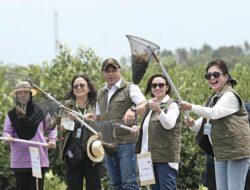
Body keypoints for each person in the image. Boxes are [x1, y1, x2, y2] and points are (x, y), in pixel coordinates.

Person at [180, 59, 250, 190]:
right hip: (220, 152)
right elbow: (203, 122)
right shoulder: (212, 99)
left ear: (225, 77)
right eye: (208, 76)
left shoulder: (230, 95)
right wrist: (192, 124)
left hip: (236, 152)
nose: (212, 78)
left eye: (216, 74)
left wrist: (191, 107)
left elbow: (214, 113)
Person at [96, 58, 147, 190]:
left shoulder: (130, 87)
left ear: (120, 70)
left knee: (129, 183)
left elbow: (145, 104)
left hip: (127, 143)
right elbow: (98, 117)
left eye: (114, 70)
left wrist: (133, 109)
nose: (111, 74)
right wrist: (90, 118)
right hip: (108, 144)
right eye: (107, 71)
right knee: (115, 184)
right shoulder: (100, 93)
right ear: (103, 73)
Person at [3, 81, 57, 190]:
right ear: (16, 95)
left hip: (37, 158)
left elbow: (52, 127)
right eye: (20, 93)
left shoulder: (41, 111)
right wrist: (7, 137)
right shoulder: (11, 115)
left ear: (30, 94)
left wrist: (52, 140)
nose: (23, 95)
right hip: (20, 159)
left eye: (26, 92)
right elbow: (7, 131)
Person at [134, 74, 181, 190]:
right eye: (154, 85)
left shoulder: (172, 105)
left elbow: (169, 124)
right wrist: (139, 129)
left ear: (167, 87)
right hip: (149, 157)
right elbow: (151, 128)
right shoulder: (149, 107)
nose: (157, 88)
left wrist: (159, 111)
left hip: (166, 157)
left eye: (161, 85)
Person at [58, 74, 102, 190]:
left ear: (88, 87)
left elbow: (104, 125)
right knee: (73, 186)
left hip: (93, 150)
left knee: (94, 186)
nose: (78, 88)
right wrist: (70, 119)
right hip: (73, 151)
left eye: (82, 85)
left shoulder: (96, 103)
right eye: (75, 86)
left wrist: (94, 119)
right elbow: (62, 127)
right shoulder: (67, 105)